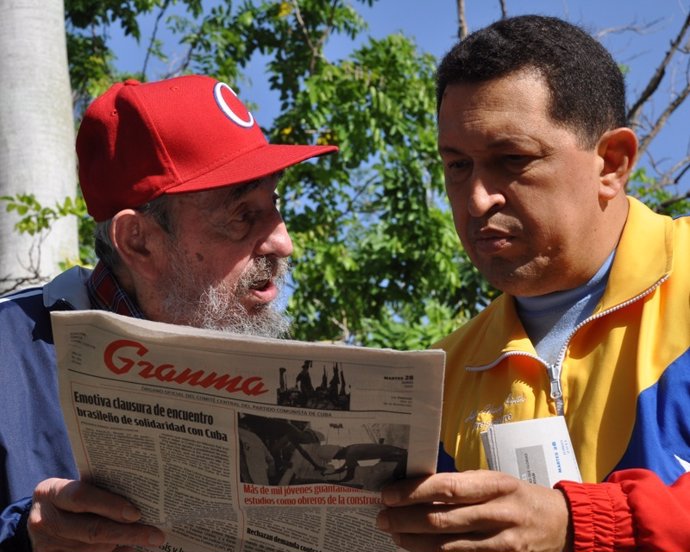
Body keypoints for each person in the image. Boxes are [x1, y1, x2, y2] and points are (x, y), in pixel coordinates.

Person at [375, 15, 690, 552]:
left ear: (612, 163)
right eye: (457, 166)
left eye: (512, 160)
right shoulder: (438, 375)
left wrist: (586, 523)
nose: (477, 199)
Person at [0, 74, 336, 551]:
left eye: (274, 203)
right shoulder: (8, 355)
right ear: (139, 241)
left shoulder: (269, 360)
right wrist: (24, 538)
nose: (284, 242)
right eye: (243, 214)